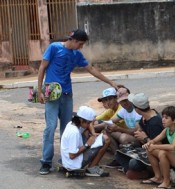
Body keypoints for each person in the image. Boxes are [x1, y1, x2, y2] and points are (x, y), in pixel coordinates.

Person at [38, 29, 121, 175]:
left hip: (67, 95)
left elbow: (91, 69)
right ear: (74, 40)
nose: (81, 47)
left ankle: (66, 160)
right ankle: (46, 162)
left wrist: (110, 82)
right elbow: (42, 67)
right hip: (51, 95)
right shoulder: (54, 47)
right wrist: (39, 90)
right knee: (50, 127)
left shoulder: (76, 54)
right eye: (81, 44)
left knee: (68, 128)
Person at [142, 106, 175, 189]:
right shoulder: (167, 130)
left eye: (166, 118)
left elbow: (173, 147)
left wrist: (155, 146)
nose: (163, 120)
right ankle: (158, 177)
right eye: (163, 117)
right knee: (149, 150)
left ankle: (167, 182)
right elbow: (155, 140)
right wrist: (148, 144)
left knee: (163, 152)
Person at [114, 93, 164, 179]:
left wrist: (144, 138)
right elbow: (138, 131)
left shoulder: (154, 123)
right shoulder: (144, 117)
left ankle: (148, 173)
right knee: (119, 154)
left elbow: (159, 147)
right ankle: (140, 171)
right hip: (146, 148)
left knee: (133, 163)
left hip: (155, 153)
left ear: (136, 109)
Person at [60, 106, 110, 177]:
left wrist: (93, 133)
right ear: (81, 120)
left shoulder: (71, 124)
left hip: (68, 161)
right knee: (106, 139)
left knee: (87, 132)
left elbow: (89, 126)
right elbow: (72, 155)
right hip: (74, 164)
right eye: (88, 123)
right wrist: (87, 144)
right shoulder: (74, 132)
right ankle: (91, 168)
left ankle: (92, 165)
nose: (89, 125)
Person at [104, 87, 142, 168]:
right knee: (107, 130)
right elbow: (110, 121)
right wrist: (105, 126)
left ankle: (125, 160)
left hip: (140, 140)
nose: (124, 103)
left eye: (126, 100)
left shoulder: (137, 110)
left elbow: (136, 132)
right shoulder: (124, 110)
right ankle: (117, 158)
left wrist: (118, 128)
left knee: (124, 137)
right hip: (131, 135)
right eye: (121, 101)